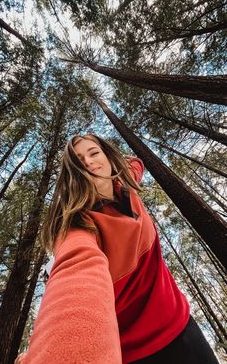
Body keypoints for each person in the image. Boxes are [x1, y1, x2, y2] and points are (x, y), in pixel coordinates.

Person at [15, 134, 219, 364]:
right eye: (80, 161)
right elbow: (76, 277)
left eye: (94, 153)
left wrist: (124, 166)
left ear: (109, 158)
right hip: (132, 355)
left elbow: (135, 164)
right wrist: (53, 350)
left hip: (182, 329)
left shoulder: (127, 186)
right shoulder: (80, 226)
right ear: (74, 175)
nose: (90, 162)